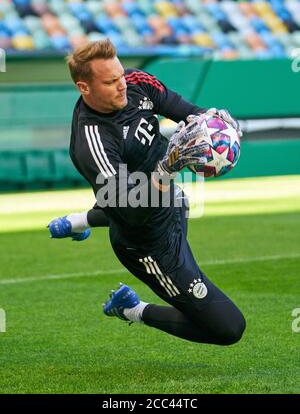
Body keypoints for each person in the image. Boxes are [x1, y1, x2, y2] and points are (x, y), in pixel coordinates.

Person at [48, 39, 246, 345]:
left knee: (170, 198)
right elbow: (132, 213)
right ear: (84, 88)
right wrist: (166, 169)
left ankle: (79, 221)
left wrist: (215, 122)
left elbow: (188, 112)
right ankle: (132, 309)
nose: (121, 85)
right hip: (146, 243)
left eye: (120, 75)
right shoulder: (92, 143)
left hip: (168, 199)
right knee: (228, 328)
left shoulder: (137, 81)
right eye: (110, 81)